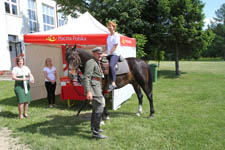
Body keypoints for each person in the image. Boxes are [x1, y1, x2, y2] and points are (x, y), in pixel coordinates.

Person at [82, 47, 107, 139]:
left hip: (97, 86)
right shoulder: (90, 62)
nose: (100, 55)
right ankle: (96, 133)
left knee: (96, 108)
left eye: (101, 53)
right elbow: (86, 77)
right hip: (93, 88)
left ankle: (94, 129)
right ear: (93, 54)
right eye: (98, 53)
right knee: (99, 108)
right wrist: (88, 91)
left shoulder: (97, 62)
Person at [106, 20, 121, 91]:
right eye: (108, 26)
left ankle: (113, 83)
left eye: (110, 26)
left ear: (114, 27)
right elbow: (107, 46)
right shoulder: (108, 36)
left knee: (111, 65)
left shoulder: (116, 35)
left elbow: (115, 46)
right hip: (109, 54)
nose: (109, 27)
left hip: (115, 54)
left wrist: (109, 53)